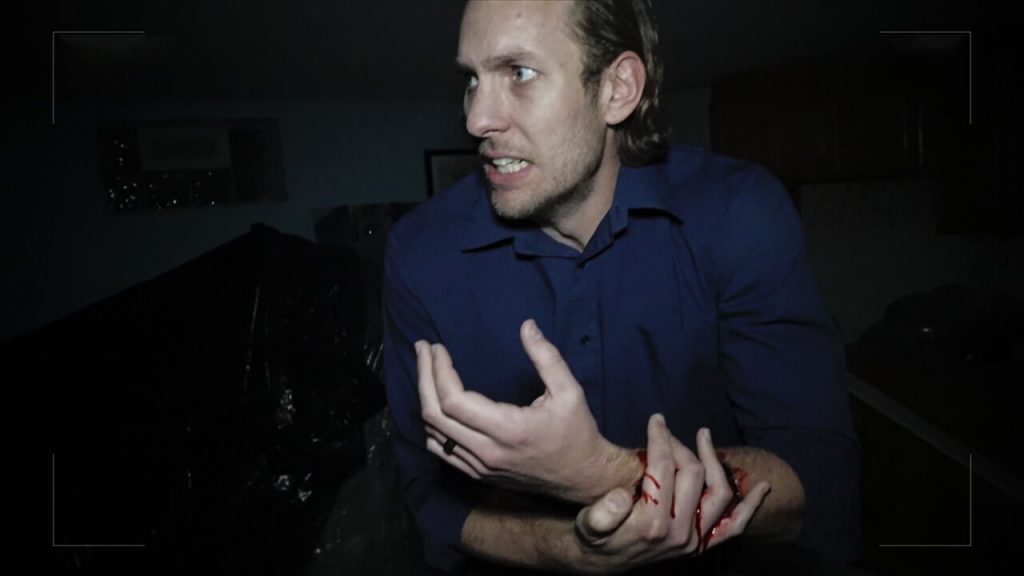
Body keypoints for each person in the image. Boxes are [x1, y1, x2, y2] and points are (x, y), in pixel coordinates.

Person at [383, 1, 860, 573]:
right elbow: (427, 497)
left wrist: (596, 474)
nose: (477, 119)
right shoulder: (421, 252)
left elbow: (817, 479)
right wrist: (568, 551)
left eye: (519, 73)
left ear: (618, 88)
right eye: (471, 80)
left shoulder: (737, 215)